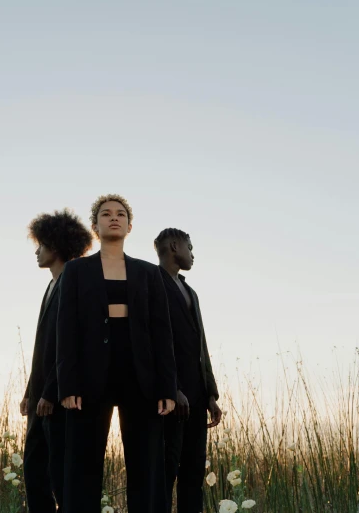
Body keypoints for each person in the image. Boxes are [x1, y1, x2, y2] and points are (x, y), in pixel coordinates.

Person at [56, 194, 177, 513]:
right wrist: (67, 386)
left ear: (130, 225)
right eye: (106, 214)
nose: (114, 217)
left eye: (121, 214)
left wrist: (167, 388)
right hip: (88, 377)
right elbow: (65, 331)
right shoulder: (76, 270)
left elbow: (163, 333)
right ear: (95, 225)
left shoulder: (149, 273)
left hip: (141, 375)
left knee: (146, 465)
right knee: (82, 465)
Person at [20, 208, 93, 513]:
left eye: (41, 245)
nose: (37, 251)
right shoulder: (51, 286)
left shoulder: (71, 285)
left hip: (59, 397)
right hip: (40, 397)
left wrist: (50, 391)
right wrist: (29, 392)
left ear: (56, 245)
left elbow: (71, 346)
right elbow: (44, 348)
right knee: (34, 470)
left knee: (60, 476)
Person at [154, 228, 222, 513]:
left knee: (193, 473)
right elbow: (153, 341)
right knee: (164, 472)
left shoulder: (190, 291)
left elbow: (201, 346)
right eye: (190, 248)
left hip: (196, 397)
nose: (193, 254)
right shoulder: (151, 282)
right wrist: (171, 389)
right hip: (169, 401)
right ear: (174, 246)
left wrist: (210, 394)